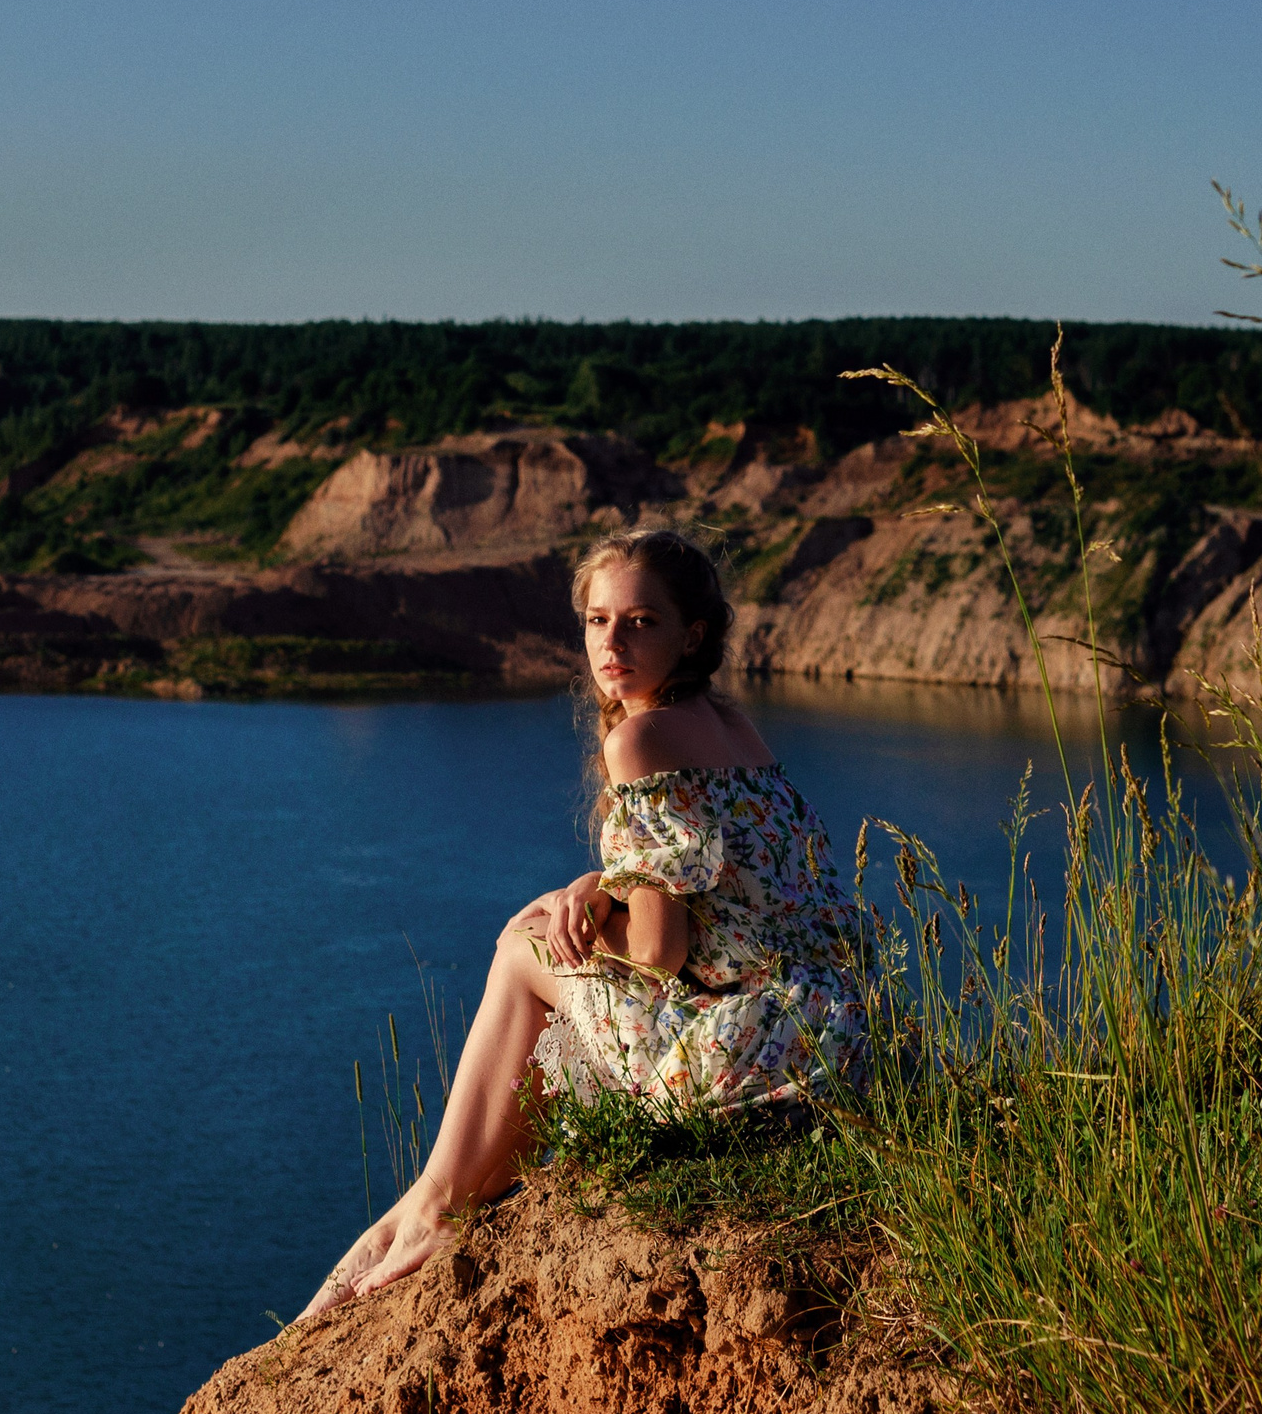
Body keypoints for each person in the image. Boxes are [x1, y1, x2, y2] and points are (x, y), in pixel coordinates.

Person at [298, 527, 868, 1319]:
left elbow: (661, 949)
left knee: (519, 949)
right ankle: (430, 1204)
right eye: (599, 620)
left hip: (745, 1055)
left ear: (692, 634)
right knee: (539, 940)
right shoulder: (732, 724)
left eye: (641, 621)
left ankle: (437, 1204)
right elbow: (715, 892)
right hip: (829, 1036)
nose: (613, 642)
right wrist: (595, 886)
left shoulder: (640, 738)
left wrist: (579, 919)